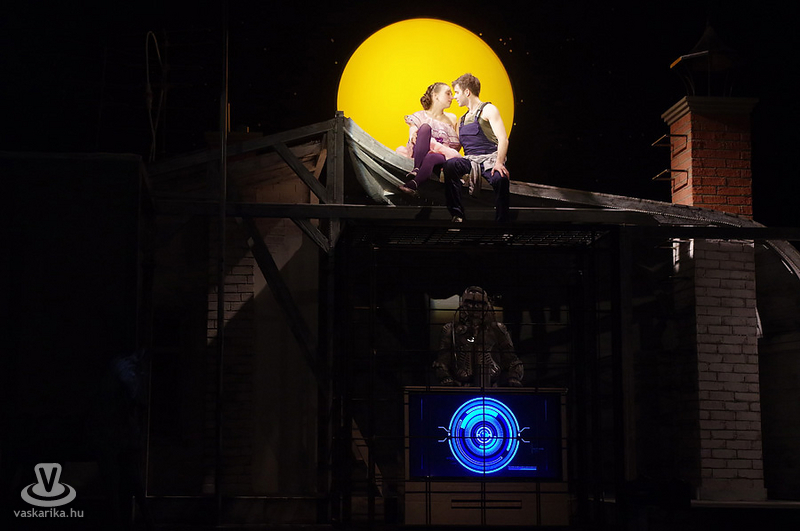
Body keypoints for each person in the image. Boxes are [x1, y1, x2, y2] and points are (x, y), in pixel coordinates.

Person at [442, 73, 510, 222]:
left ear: (467, 92)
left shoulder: (489, 109)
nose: (454, 97)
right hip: (470, 161)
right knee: (450, 165)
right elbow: (457, 147)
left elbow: (503, 139)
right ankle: (457, 215)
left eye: (457, 92)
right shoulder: (462, 119)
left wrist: (499, 163)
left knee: (500, 179)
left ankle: (503, 224)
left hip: (489, 160)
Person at [433, 286, 523, 387]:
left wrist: (514, 378)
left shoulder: (497, 329)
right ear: (462, 304)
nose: (474, 307)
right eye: (469, 302)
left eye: (480, 303)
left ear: (486, 305)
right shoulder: (451, 330)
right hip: (461, 385)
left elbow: (512, 361)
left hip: (491, 384)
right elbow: (442, 362)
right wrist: (446, 378)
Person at [396, 82, 462, 196]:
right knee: (425, 128)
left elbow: (457, 145)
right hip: (421, 153)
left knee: (432, 156)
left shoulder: (452, 118)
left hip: (441, 156)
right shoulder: (420, 115)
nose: (452, 97)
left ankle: (414, 181)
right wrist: (413, 135)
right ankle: (416, 170)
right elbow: (413, 130)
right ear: (436, 96)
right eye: (448, 93)